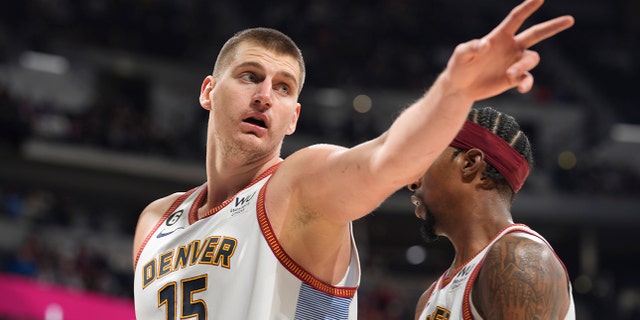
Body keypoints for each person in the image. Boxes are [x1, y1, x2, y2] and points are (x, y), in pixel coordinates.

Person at [132, 0, 574, 318]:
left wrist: (454, 92)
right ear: (209, 91)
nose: (265, 96)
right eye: (250, 77)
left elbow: (385, 159)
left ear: (293, 119)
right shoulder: (155, 221)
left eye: (283, 87)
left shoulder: (300, 185)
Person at [408, 106, 575, 319]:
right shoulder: (429, 297)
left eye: (425, 160)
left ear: (469, 163)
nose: (412, 182)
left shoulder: (521, 261)